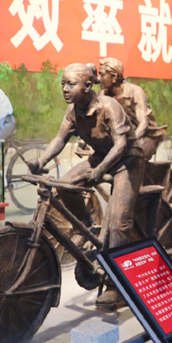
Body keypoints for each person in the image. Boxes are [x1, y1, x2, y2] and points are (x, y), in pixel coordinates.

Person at [29, 63, 144, 312]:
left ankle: (115, 283)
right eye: (63, 84)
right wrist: (41, 161)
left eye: (71, 84)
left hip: (127, 161)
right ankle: (87, 225)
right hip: (100, 158)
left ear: (88, 86)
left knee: (118, 222)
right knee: (65, 185)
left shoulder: (108, 106)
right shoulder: (73, 111)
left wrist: (101, 170)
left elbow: (121, 145)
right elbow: (60, 139)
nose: (65, 89)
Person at [97, 57, 166, 160]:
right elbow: (97, 122)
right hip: (123, 137)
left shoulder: (136, 92)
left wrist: (128, 143)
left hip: (146, 135)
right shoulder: (104, 95)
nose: (99, 79)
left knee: (131, 159)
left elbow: (143, 124)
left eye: (102, 75)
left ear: (114, 77)